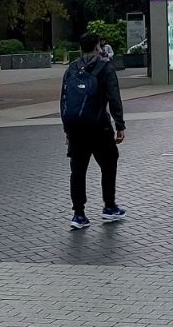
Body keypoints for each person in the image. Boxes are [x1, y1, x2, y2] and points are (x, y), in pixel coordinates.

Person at [61, 32, 127, 230]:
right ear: (98, 47)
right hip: (99, 126)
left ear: (80, 48)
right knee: (109, 163)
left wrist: (67, 128)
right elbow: (114, 97)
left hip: (76, 128)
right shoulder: (105, 68)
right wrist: (120, 125)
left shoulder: (72, 69)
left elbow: (64, 100)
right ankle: (109, 206)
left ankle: (78, 214)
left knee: (78, 169)